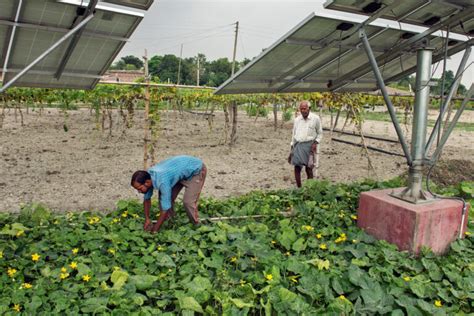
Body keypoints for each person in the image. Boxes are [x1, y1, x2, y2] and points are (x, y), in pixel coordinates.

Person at [131, 155, 207, 233]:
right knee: (166, 199)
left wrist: (154, 231)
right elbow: (147, 199)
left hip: (195, 170)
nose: (139, 192)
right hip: (179, 171)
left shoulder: (162, 182)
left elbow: (165, 209)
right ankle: (171, 223)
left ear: (147, 182)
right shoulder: (149, 176)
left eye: (139, 189)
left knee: (188, 202)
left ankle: (198, 226)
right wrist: (147, 219)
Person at [288, 100, 323, 188]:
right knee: (297, 167)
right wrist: (292, 148)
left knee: (309, 168)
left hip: (309, 146)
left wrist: (315, 143)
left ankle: (309, 187)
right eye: (301, 109)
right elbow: (294, 134)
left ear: (309, 108)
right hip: (298, 145)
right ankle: (299, 188)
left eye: (305, 108)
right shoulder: (297, 120)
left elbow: (320, 133)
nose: (303, 110)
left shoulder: (315, 118)